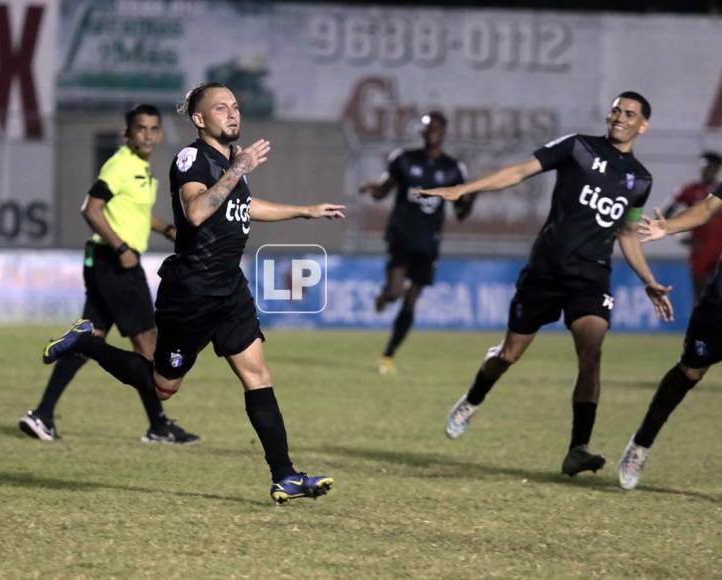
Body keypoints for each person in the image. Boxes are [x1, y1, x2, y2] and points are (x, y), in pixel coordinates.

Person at [40, 83, 345, 503]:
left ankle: (285, 475)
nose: (233, 114)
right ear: (200, 120)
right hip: (192, 292)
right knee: (163, 386)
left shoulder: (226, 163)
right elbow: (197, 210)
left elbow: (243, 207)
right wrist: (238, 169)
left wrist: (303, 210)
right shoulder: (193, 158)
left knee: (257, 374)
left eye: (235, 106)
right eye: (221, 108)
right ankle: (89, 342)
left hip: (228, 288)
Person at [420, 91, 674, 476]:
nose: (620, 117)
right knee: (508, 355)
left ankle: (578, 448)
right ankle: (473, 399)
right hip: (545, 270)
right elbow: (520, 171)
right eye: (616, 110)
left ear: (643, 125)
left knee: (591, 354)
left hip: (591, 275)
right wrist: (463, 190)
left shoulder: (640, 180)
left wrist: (649, 280)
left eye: (630, 114)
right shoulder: (578, 148)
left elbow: (626, 232)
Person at [20, 104, 199, 445]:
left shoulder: (143, 172)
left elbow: (135, 212)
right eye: (140, 129)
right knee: (149, 345)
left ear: (159, 134)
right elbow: (91, 208)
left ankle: (42, 415)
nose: (147, 135)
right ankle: (159, 425)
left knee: (89, 339)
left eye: (153, 129)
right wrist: (120, 248)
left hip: (107, 262)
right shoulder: (120, 165)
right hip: (115, 263)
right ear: (126, 134)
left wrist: (167, 230)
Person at [618, 183, 722, 490]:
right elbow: (705, 209)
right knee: (690, 371)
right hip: (720, 301)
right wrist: (669, 227)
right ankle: (641, 444)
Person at [360, 111, 475, 375]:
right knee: (395, 293)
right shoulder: (404, 159)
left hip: (429, 243)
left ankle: (388, 356)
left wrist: (472, 198)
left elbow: (460, 213)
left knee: (411, 300)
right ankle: (385, 295)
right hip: (402, 235)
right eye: (428, 128)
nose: (432, 132)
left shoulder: (454, 169)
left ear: (444, 131)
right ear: (422, 132)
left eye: (436, 128)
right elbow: (383, 191)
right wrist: (371, 189)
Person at [662, 151, 722, 302]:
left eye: (710, 167)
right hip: (700, 250)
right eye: (704, 167)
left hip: (720, 250)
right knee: (700, 298)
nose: (706, 171)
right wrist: (678, 236)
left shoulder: (719, 190)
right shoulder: (689, 190)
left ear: (717, 169)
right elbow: (664, 216)